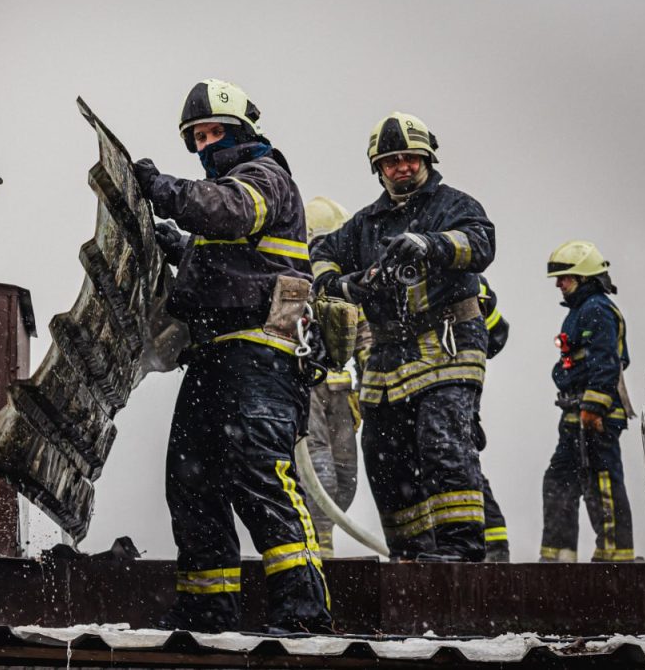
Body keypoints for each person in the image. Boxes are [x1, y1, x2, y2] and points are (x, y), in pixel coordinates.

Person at [133, 79, 332, 633]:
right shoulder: (221, 193)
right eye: (196, 136)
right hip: (214, 359)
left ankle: (303, 614)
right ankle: (208, 609)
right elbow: (220, 252)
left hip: (261, 358)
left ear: (242, 132)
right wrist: (166, 240)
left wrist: (159, 189)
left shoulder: (265, 178)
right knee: (191, 481)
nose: (204, 144)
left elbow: (230, 212)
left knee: (261, 478)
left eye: (214, 132)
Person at [309, 112, 495, 562]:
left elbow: (482, 243)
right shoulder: (366, 223)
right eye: (391, 161)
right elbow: (320, 256)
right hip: (389, 359)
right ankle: (410, 553)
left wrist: (432, 245)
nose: (402, 168)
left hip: (446, 345)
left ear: (426, 158)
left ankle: (460, 551)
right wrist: (344, 285)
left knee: (442, 442)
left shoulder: (454, 205)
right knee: (383, 454)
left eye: (410, 158)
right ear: (378, 168)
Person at [540, 240, 634, 563]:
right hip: (574, 413)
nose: (558, 284)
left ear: (583, 277)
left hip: (596, 415)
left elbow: (606, 361)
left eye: (564, 277)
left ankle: (615, 558)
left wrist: (594, 407)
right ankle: (558, 557)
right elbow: (574, 362)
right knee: (560, 479)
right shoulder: (580, 312)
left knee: (602, 481)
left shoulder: (597, 309)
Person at [303, 197, 360, 559]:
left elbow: (365, 334)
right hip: (304, 386)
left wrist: (371, 387)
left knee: (345, 476)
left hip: (339, 391)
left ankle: (323, 539)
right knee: (318, 467)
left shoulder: (344, 285)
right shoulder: (289, 276)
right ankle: (319, 553)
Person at [475, 277, 510, 562]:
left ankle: (494, 545)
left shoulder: (469, 281)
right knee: (460, 462)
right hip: (459, 383)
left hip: (446, 386)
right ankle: (494, 544)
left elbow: (497, 333)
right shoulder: (477, 281)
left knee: (458, 464)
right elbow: (497, 334)